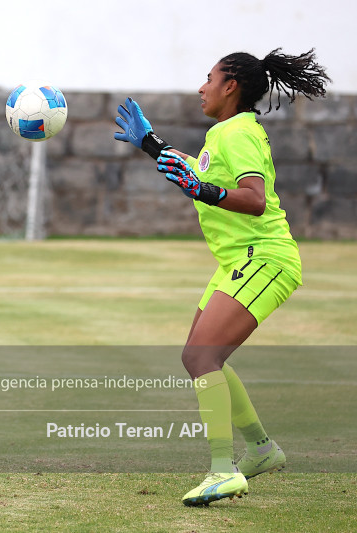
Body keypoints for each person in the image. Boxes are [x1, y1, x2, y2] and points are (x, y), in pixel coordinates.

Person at [114, 48, 329, 506]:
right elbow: (200, 172)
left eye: (209, 77)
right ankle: (261, 450)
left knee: (201, 356)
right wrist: (151, 143)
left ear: (230, 85)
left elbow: (252, 198)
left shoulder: (239, 133)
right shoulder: (226, 132)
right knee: (200, 357)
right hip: (236, 261)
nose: (201, 86)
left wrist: (201, 189)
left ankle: (222, 471)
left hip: (264, 258)